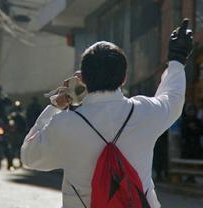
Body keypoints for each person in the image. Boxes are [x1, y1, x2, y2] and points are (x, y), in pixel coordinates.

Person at [20, 19, 193, 208]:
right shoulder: (144, 112)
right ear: (124, 78)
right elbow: (173, 98)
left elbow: (29, 157)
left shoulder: (64, 123)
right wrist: (176, 59)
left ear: (83, 78)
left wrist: (55, 106)